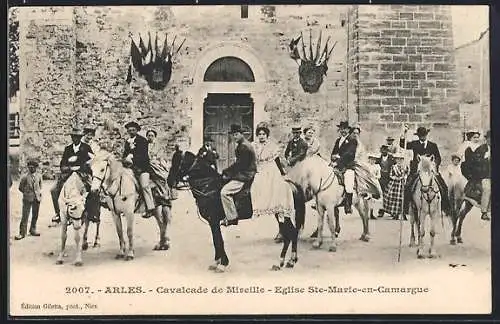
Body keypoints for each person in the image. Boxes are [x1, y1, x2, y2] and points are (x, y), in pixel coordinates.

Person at [400, 125, 450, 218]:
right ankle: (406, 208)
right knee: (407, 186)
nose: (422, 137)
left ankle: (445, 207)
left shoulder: (433, 145)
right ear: (418, 136)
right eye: (420, 135)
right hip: (417, 170)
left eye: (424, 135)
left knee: (444, 186)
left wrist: (435, 165)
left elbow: (438, 157)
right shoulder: (414, 144)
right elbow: (403, 145)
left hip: (430, 170)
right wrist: (404, 134)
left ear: (426, 135)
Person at [251, 122, 295, 220]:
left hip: (270, 167)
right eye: (259, 134)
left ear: (267, 135)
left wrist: (282, 173)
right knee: (256, 185)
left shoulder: (271, 145)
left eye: (263, 134)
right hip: (259, 167)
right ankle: (257, 209)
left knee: (275, 187)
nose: (261, 136)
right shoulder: (254, 145)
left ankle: (278, 209)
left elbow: (277, 160)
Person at [50, 127, 94, 223]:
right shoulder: (68, 149)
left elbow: (92, 162)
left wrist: (80, 167)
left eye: (77, 137)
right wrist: (69, 168)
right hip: (68, 174)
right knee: (53, 190)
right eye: (73, 137)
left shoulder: (86, 148)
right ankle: (58, 213)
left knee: (93, 190)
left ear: (80, 137)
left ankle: (92, 212)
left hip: (82, 174)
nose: (75, 139)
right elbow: (62, 164)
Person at [220, 124, 257, 227]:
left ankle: (232, 217)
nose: (235, 137)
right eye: (233, 135)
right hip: (245, 172)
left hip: (245, 175)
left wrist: (227, 172)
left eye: (236, 134)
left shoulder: (244, 147)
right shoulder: (243, 144)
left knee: (224, 192)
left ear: (241, 134)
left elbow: (240, 165)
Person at [123, 121, 155, 218]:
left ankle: (150, 208)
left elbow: (144, 156)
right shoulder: (127, 141)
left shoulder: (142, 141)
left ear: (137, 130)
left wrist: (133, 157)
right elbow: (125, 153)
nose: (131, 131)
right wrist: (125, 158)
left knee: (145, 185)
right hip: (130, 168)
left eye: (133, 130)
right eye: (130, 130)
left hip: (142, 168)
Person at [462, 130, 491, 220]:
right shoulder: (481, 149)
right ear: (486, 139)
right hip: (485, 176)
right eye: (490, 139)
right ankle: (484, 212)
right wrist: (485, 160)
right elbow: (474, 164)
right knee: (487, 188)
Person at [330, 121, 357, 215]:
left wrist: (338, 161)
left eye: (345, 129)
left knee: (349, 181)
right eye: (341, 129)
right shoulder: (338, 140)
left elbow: (349, 154)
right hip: (337, 165)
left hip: (348, 165)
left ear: (348, 130)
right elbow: (334, 152)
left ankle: (348, 204)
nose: (343, 131)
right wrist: (333, 157)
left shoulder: (352, 140)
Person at [15, 159, 43, 240]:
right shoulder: (25, 177)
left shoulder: (39, 176)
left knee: (35, 215)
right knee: (25, 216)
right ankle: (22, 233)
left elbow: (40, 186)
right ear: (28, 168)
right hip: (27, 198)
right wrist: (27, 193)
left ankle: (33, 230)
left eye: (33, 167)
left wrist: (37, 193)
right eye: (30, 167)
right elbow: (20, 188)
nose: (31, 169)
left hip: (37, 198)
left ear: (36, 168)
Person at [146, 129, 172, 205]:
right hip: (147, 162)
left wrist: (154, 158)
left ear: (155, 137)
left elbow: (160, 156)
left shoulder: (158, 146)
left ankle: (164, 193)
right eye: (149, 135)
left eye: (152, 136)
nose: (150, 137)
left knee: (160, 175)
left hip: (156, 162)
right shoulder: (144, 144)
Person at [383, 152, 408, 220]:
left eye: (401, 159)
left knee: (402, 199)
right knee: (393, 198)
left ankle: (403, 214)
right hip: (394, 184)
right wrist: (396, 178)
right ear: (396, 160)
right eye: (398, 159)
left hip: (402, 184)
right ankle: (395, 214)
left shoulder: (405, 167)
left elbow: (406, 174)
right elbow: (390, 175)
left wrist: (403, 177)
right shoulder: (394, 167)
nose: (399, 161)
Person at [376, 145, 395, 217]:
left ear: (388, 151)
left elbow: (394, 167)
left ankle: (391, 211)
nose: (384, 152)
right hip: (380, 178)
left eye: (385, 150)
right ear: (381, 151)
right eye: (383, 150)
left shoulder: (391, 158)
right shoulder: (378, 158)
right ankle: (381, 211)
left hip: (389, 178)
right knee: (381, 195)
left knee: (389, 195)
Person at [367, 153, 382, 219]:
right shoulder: (366, 166)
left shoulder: (377, 166)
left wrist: (375, 177)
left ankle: (372, 213)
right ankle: (365, 212)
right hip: (367, 181)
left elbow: (379, 175)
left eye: (374, 159)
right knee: (367, 197)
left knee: (375, 197)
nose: (372, 161)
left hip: (375, 181)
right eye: (371, 159)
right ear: (369, 159)